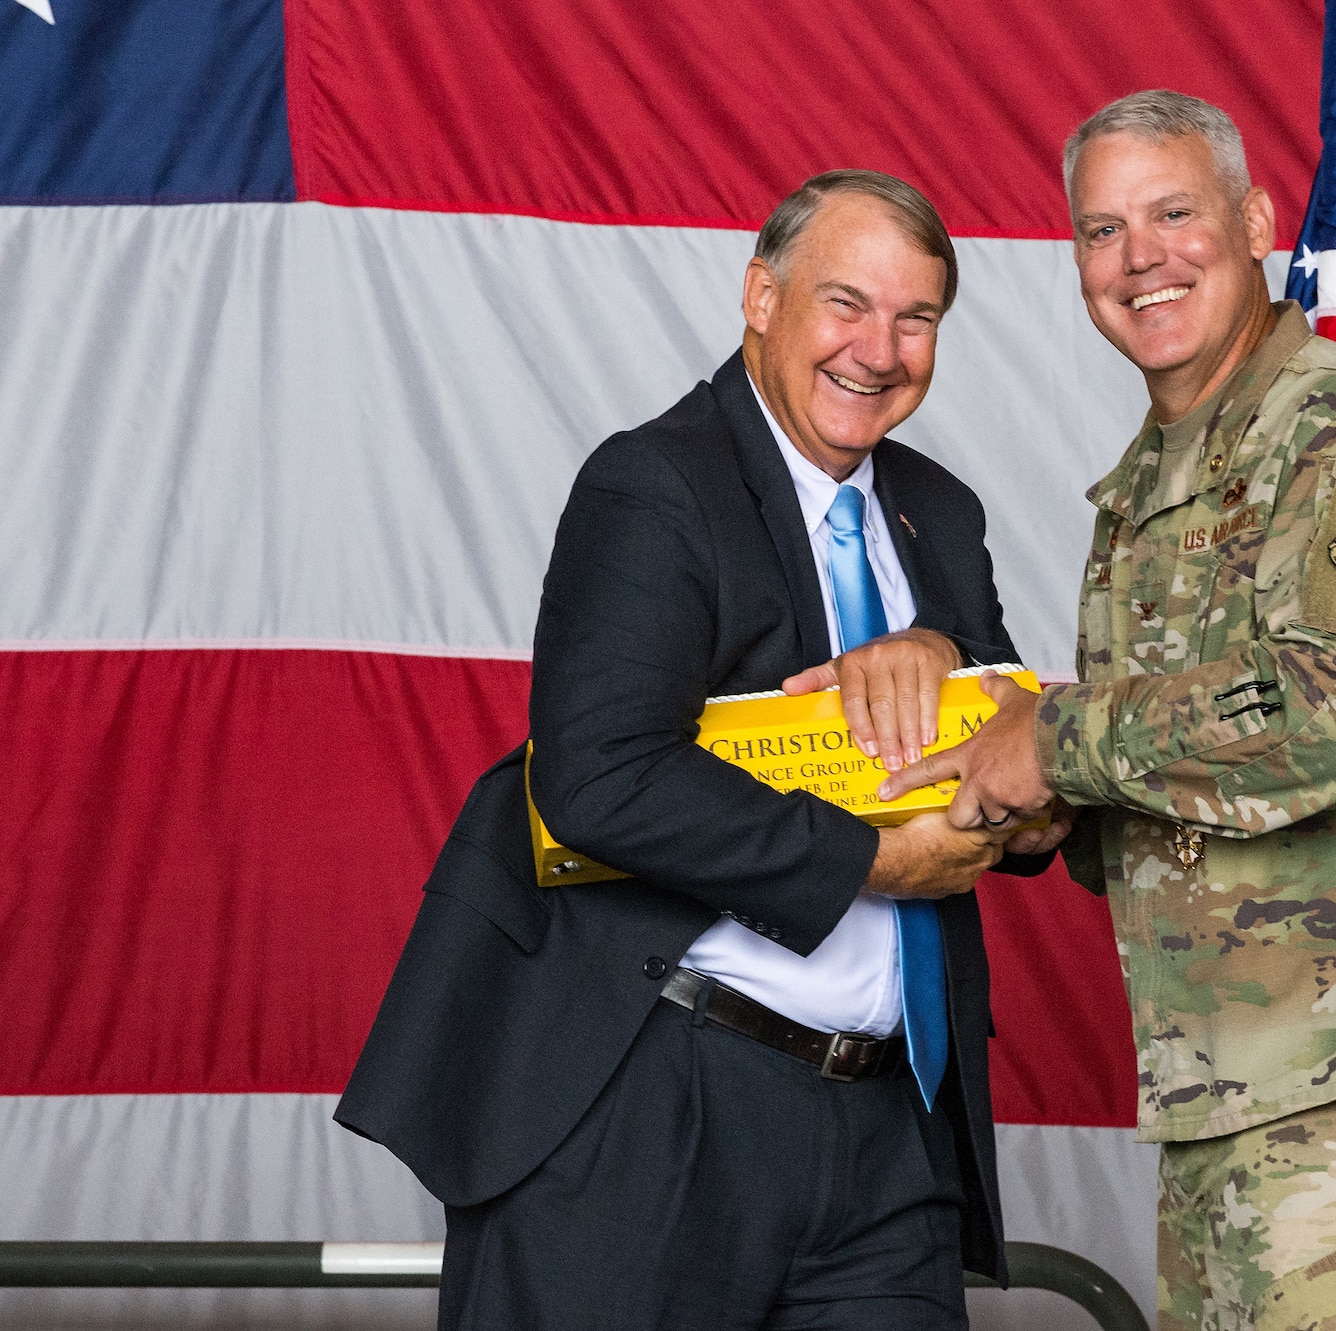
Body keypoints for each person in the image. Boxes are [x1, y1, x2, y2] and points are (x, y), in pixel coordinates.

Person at [336, 169, 1054, 1330]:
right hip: (651, 1102)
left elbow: (1006, 765)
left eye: (914, 317)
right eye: (845, 303)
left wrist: (952, 666)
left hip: (887, 1128)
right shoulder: (655, 482)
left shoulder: (942, 512)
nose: (878, 348)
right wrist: (867, 864)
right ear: (760, 296)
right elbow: (599, 778)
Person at [882, 92, 1336, 1330]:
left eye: (1173, 213)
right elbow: (1188, 788)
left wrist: (1057, 742)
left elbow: (1335, 709)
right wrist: (1046, 813)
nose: (1139, 259)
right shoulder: (1144, 490)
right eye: (1100, 230)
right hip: (1223, 1088)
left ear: (1250, 222)